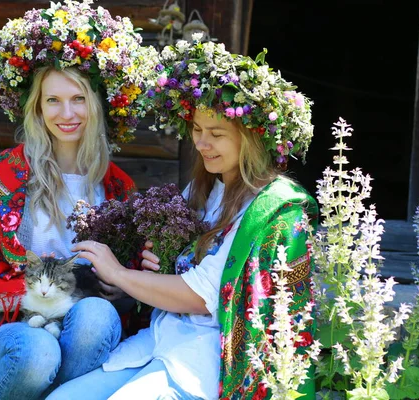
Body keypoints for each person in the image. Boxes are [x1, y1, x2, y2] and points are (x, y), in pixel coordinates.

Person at [48, 36, 318, 400]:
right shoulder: (206, 188)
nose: (202, 143)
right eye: (197, 130)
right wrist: (156, 262)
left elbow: (200, 297)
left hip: (205, 358)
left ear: (251, 138)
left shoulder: (266, 208)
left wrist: (118, 273)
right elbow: (175, 265)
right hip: (162, 340)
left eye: (216, 134)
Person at [0, 1, 159, 399]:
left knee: (96, 315)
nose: (67, 113)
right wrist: (39, 302)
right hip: (15, 326)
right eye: (53, 101)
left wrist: (121, 288)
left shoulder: (118, 188)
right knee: (38, 350)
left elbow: (130, 278)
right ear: (37, 109)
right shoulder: (5, 176)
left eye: (78, 99)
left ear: (96, 104)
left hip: (83, 331)